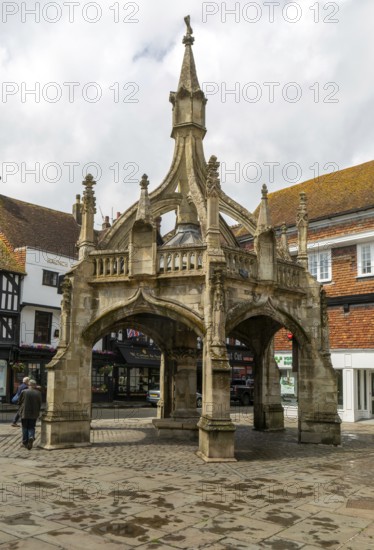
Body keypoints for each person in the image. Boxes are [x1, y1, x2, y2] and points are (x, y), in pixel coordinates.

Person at [18, 379, 42, 450]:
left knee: (25, 427)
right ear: (34, 385)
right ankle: (31, 436)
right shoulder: (38, 393)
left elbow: (19, 401)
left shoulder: (24, 392)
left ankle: (25, 442)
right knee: (32, 426)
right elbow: (40, 403)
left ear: (29, 385)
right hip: (34, 413)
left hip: (24, 412)